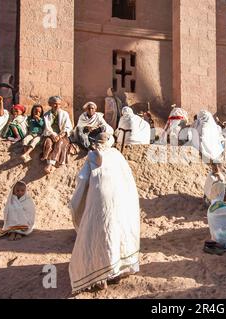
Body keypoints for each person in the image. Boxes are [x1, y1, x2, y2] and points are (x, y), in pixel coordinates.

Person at [69, 133, 140, 293]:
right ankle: (116, 271)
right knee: (117, 233)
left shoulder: (93, 155)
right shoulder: (117, 155)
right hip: (120, 199)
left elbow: (82, 178)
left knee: (98, 235)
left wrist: (78, 199)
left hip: (100, 199)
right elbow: (128, 178)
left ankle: (100, 278)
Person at [42, 96, 73, 174]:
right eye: (55, 104)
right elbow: (46, 127)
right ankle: (52, 165)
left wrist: (60, 135)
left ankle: (50, 164)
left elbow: (68, 126)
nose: (57, 106)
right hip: (51, 135)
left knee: (60, 143)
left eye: (59, 104)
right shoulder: (46, 115)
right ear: (50, 104)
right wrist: (52, 135)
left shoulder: (64, 114)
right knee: (48, 143)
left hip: (62, 135)